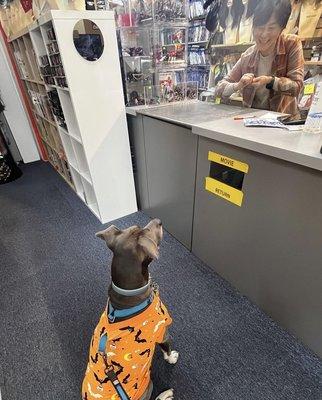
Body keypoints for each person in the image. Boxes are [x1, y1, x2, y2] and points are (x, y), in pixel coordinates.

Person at [215, 0, 305, 119]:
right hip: (253, 123)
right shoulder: (248, 56)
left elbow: (297, 87)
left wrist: (271, 81)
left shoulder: (291, 44)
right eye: (260, 27)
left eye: (271, 28)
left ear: (281, 29)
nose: (264, 34)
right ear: (253, 27)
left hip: (285, 122)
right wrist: (238, 85)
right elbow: (218, 90)